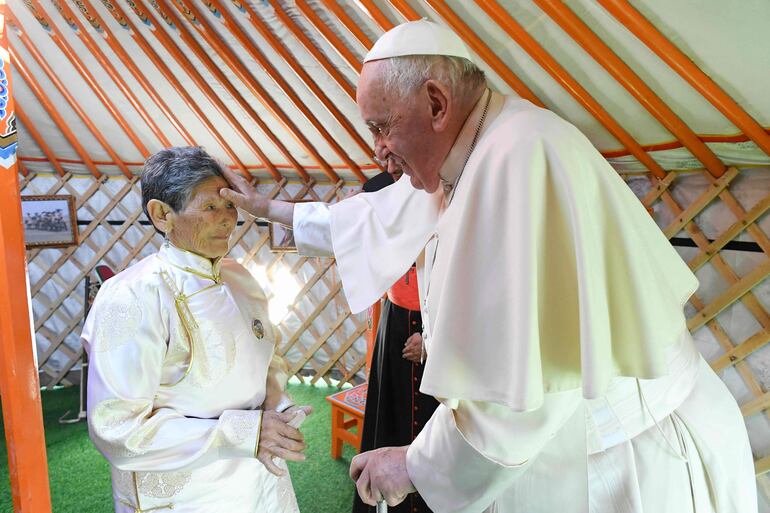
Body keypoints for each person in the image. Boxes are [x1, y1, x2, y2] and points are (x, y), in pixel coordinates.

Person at [221, 21, 757, 513]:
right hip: (568, 447)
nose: (379, 153)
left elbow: (524, 391)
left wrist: (415, 463)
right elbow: (375, 217)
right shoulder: (469, 146)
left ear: (436, 102)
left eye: (383, 127)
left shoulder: (523, 158)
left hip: (629, 462)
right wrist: (273, 210)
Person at [82, 146, 311, 513]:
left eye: (230, 205)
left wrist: (276, 404)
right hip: (188, 494)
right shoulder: (133, 296)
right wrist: (246, 432)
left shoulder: (240, 277)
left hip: (259, 477)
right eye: (209, 207)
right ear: (161, 215)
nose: (227, 220)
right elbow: (118, 429)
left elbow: (267, 360)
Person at [353, 172, 439, 513]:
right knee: (391, 410)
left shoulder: (440, 217)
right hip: (395, 321)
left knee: (429, 417)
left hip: (433, 326)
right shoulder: (383, 214)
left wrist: (431, 338)